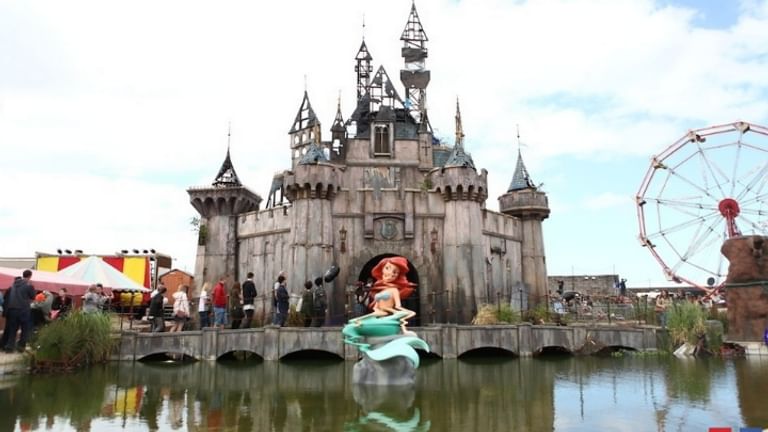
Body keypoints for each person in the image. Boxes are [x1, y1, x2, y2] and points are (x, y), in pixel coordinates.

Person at [354, 256, 416, 333]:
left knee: (408, 315)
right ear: (381, 270)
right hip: (380, 314)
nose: (390, 273)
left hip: (389, 314)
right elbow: (375, 307)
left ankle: (403, 329)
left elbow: (398, 306)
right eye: (387, 268)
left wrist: (401, 313)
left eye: (395, 272)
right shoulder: (379, 291)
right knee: (360, 320)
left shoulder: (394, 290)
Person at [3, 270, 36, 353]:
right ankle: (21, 347)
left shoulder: (13, 285)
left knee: (13, 329)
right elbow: (33, 296)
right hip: (23, 310)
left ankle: (9, 347)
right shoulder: (29, 286)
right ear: (30, 276)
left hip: (12, 310)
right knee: (24, 329)